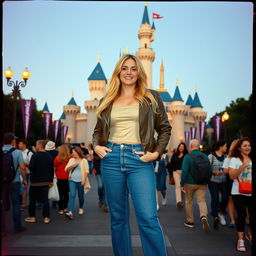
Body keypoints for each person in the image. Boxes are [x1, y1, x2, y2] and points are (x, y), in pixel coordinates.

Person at [93, 54, 171, 256]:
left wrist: (155, 153)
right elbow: (98, 131)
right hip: (110, 159)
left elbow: (164, 128)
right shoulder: (107, 100)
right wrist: (96, 146)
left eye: (133, 68)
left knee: (148, 217)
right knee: (118, 218)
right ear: (118, 72)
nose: (129, 72)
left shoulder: (151, 96)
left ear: (139, 72)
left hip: (139, 158)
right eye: (125, 68)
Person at [228, 137, 252, 252]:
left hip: (251, 192)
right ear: (239, 148)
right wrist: (243, 166)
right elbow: (232, 176)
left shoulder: (252, 158)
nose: (248, 147)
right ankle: (240, 240)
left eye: (249, 145)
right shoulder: (235, 160)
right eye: (245, 145)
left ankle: (249, 235)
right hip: (238, 191)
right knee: (242, 215)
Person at [180, 139, 210, 232]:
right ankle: (203, 216)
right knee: (201, 201)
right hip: (202, 182)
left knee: (189, 201)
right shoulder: (205, 156)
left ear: (190, 146)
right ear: (198, 146)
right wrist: (207, 182)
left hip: (190, 183)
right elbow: (209, 170)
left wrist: (182, 184)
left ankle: (190, 221)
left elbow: (184, 171)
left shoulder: (187, 157)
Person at [2, 132, 27, 234]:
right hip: (14, 181)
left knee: (2, 205)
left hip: (2, 183)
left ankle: (2, 230)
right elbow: (22, 167)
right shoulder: (17, 152)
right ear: (13, 141)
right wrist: (24, 180)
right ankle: (17, 227)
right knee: (16, 204)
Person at [25, 140, 54, 224]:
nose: (35, 146)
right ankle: (46, 217)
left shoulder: (35, 155)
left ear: (39, 145)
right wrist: (51, 180)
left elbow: (31, 167)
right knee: (45, 200)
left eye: (36, 145)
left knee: (32, 200)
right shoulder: (49, 156)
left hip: (35, 182)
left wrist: (28, 165)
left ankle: (32, 217)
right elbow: (51, 170)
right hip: (45, 182)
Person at [208, 140, 228, 229]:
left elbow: (229, 169)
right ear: (220, 147)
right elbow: (206, 168)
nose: (226, 148)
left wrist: (225, 171)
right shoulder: (211, 156)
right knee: (215, 198)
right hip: (213, 181)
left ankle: (221, 212)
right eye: (225, 146)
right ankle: (215, 217)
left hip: (223, 181)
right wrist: (213, 172)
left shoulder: (226, 157)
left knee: (225, 198)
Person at [64, 146, 89, 220]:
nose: (72, 154)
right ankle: (70, 212)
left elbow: (86, 171)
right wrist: (72, 166)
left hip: (81, 180)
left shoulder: (84, 160)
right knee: (72, 195)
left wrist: (84, 180)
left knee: (80, 196)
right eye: (72, 152)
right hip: (72, 180)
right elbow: (66, 170)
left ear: (78, 152)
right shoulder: (71, 160)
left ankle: (81, 207)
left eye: (74, 152)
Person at [222, 139, 239, 228]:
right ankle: (232, 220)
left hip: (243, 180)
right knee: (231, 200)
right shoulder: (229, 158)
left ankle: (244, 217)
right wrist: (234, 168)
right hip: (231, 181)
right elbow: (225, 171)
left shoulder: (245, 157)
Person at [168, 142, 188, 210]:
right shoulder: (175, 154)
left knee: (183, 188)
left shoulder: (187, 155)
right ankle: (179, 202)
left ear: (184, 148)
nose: (181, 147)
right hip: (176, 172)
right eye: (180, 146)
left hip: (184, 173)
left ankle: (181, 201)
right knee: (178, 186)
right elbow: (171, 164)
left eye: (183, 146)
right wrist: (171, 174)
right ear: (178, 147)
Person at [54, 144, 71, 214]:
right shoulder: (69, 158)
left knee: (60, 193)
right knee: (66, 193)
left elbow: (54, 167)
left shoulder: (57, 158)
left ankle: (60, 209)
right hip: (67, 178)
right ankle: (65, 207)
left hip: (59, 178)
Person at [18, 139, 33, 209]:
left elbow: (31, 164)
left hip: (26, 173)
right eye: (18, 144)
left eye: (20, 144)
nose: (18, 145)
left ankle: (23, 204)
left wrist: (22, 163)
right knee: (17, 188)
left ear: (24, 145)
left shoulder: (29, 153)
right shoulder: (17, 152)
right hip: (17, 173)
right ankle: (19, 202)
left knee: (24, 188)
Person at [45, 140, 58, 208]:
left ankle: (44, 200)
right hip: (56, 170)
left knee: (46, 186)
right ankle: (54, 201)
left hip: (46, 170)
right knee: (55, 186)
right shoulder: (57, 152)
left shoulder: (45, 152)